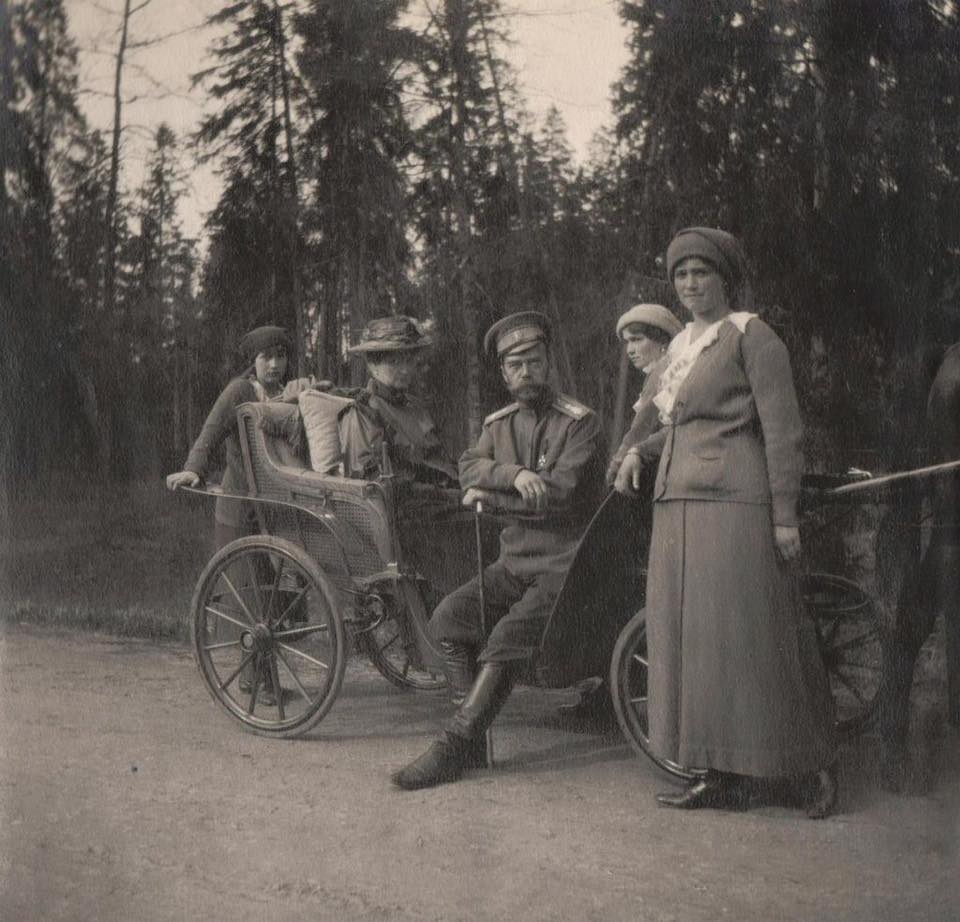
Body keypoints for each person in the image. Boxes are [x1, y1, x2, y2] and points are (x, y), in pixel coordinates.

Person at [617, 227, 837, 818]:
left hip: (735, 502)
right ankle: (720, 772)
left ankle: (803, 767)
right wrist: (640, 450)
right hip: (676, 506)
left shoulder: (751, 336)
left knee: (754, 635)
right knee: (694, 645)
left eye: (702, 273)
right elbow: (679, 424)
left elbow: (782, 429)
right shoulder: (681, 347)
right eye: (681, 275)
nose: (691, 285)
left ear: (725, 279)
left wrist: (784, 516)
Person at [390, 311, 606, 790]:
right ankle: (476, 746)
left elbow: (561, 493)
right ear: (504, 374)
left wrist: (490, 495)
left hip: (565, 566)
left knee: (504, 639)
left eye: (533, 361)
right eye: (515, 365)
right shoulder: (499, 424)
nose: (526, 372)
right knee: (447, 619)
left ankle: (454, 746)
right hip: (514, 562)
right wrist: (513, 476)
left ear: (549, 363)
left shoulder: (580, 424)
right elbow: (469, 466)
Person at [166, 324, 296, 550]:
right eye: (266, 357)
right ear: (253, 361)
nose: (274, 364)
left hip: (275, 508)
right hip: (240, 509)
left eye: (281, 356)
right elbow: (211, 430)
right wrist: (193, 468)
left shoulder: (288, 394)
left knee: (274, 583)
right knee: (242, 583)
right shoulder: (240, 390)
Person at [339, 315, 458, 487]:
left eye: (408, 360)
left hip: (445, 497)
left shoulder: (415, 406)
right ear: (372, 365)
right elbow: (373, 481)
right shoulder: (363, 410)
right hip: (410, 506)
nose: (405, 370)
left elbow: (438, 458)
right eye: (394, 362)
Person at [607, 302, 683, 488]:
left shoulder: (661, 371)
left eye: (637, 339)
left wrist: (615, 466)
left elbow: (641, 428)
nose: (630, 350)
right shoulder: (671, 368)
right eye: (627, 342)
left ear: (662, 340)